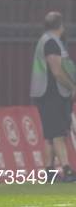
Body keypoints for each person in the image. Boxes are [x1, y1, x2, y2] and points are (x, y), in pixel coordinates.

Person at [30, 12, 76, 182]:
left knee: (50, 135)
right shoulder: (51, 43)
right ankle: (67, 170)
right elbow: (57, 71)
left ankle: (49, 172)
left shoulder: (48, 41)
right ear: (61, 26)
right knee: (58, 134)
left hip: (47, 93)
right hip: (52, 93)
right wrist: (72, 87)